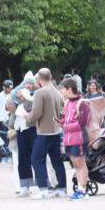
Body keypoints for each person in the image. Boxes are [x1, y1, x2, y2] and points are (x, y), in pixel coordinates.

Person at [28, 68, 67, 199]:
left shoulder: (40, 92)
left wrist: (26, 116)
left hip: (44, 131)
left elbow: (36, 113)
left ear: (39, 79)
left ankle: (43, 189)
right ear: (50, 77)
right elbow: (63, 107)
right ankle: (62, 188)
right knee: (57, 160)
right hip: (56, 130)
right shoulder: (57, 92)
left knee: (36, 159)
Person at [60, 79, 91, 201]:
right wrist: (61, 122)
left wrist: (66, 126)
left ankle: (83, 190)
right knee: (75, 165)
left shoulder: (82, 103)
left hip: (79, 139)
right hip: (68, 139)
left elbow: (83, 123)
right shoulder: (66, 102)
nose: (61, 91)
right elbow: (64, 118)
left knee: (80, 164)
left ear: (69, 89)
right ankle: (80, 189)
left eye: (63, 88)